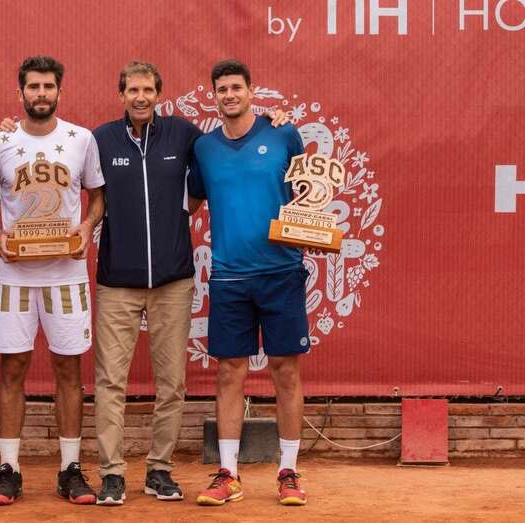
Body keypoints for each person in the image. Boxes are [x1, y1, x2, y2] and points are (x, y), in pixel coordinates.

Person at [0, 62, 287, 506]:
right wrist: (10, 133)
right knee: (111, 383)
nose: (140, 97)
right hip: (117, 281)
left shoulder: (184, 135)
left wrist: (271, 121)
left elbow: (230, 143)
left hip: (173, 280)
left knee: (171, 384)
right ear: (121, 94)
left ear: (158, 93)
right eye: (132, 89)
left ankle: (159, 470)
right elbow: (64, 167)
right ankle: (112, 473)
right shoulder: (99, 140)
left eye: (148, 89)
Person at [0, 56, 105, 506]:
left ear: (59, 92)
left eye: (49, 86)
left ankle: (70, 470)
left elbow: (97, 196)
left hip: (66, 275)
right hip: (15, 276)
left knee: (69, 371)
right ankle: (9, 469)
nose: (41, 94)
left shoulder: (81, 140)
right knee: (12, 369)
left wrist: (86, 229)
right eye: (33, 87)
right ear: (21, 93)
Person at [188, 60, 310, 507]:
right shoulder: (203, 148)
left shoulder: (284, 134)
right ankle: (228, 474)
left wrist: (312, 233)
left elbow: (308, 196)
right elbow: (191, 199)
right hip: (228, 277)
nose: (229, 95)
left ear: (252, 91)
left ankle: (290, 472)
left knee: (286, 372)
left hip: (281, 272)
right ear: (213, 96)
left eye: (236, 87)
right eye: (221, 89)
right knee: (228, 373)